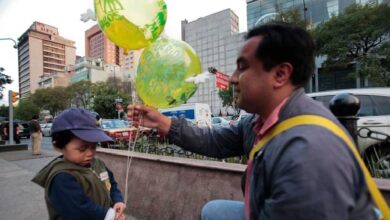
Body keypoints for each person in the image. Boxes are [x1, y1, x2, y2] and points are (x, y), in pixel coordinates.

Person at [127, 23, 375, 219]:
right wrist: (162, 122)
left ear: (280, 74)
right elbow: (214, 141)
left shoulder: (308, 152)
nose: (233, 79)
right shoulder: (258, 122)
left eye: (243, 68)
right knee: (214, 211)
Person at [32, 108, 126, 220]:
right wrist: (111, 216)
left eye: (93, 146)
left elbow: (111, 183)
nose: (90, 153)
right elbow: (79, 211)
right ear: (59, 146)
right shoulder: (61, 177)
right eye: (82, 148)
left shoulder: (97, 163)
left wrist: (117, 200)